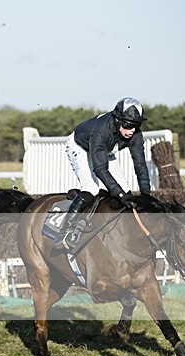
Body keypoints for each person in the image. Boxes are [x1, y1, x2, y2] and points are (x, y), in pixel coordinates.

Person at [53, 97, 151, 250]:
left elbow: (140, 165)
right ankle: (64, 232)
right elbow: (100, 170)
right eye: (128, 125)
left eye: (136, 126)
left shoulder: (135, 133)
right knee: (91, 188)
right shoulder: (101, 130)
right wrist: (119, 194)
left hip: (105, 150)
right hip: (80, 147)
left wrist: (146, 194)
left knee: (126, 192)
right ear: (118, 120)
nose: (132, 130)